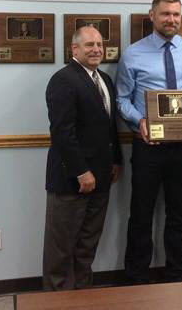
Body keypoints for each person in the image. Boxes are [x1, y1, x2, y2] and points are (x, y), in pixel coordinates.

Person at [116, 0, 182, 284]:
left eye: (176, 14)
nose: (171, 19)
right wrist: (140, 120)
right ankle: (136, 277)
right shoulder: (133, 53)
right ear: (152, 16)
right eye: (165, 14)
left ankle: (177, 275)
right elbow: (121, 100)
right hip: (148, 147)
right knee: (141, 215)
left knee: (179, 215)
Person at [43, 26, 122, 290]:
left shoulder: (104, 81)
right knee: (61, 250)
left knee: (87, 246)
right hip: (72, 181)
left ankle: (82, 298)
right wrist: (80, 171)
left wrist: (116, 161)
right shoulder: (63, 80)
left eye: (99, 44)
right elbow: (62, 132)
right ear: (74, 49)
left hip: (101, 179)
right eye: (89, 45)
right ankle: (57, 301)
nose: (96, 49)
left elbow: (110, 128)